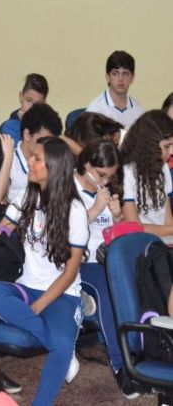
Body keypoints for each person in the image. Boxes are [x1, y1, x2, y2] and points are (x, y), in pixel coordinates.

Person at [0, 137, 88, 406]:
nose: (29, 161)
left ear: (54, 167)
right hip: (25, 286)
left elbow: (69, 273)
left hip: (62, 293)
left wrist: (39, 306)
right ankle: (61, 349)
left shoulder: (75, 211)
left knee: (61, 345)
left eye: (37, 158)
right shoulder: (26, 197)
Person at [73, 140, 131, 395]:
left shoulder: (105, 191)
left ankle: (143, 351)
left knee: (138, 279)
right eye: (101, 174)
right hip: (79, 263)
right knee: (106, 289)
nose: (106, 181)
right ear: (86, 165)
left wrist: (117, 218)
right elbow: (62, 230)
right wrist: (96, 209)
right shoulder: (67, 187)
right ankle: (121, 366)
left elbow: (116, 235)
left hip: (107, 258)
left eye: (111, 176)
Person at [120, 109, 173, 235]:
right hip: (140, 241)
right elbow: (134, 227)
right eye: (167, 146)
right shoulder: (126, 173)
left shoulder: (163, 167)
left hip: (164, 238)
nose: (171, 152)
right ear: (149, 145)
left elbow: (168, 221)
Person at [8, 103, 63, 203]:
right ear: (27, 134)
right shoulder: (9, 164)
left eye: (51, 142)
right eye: (43, 140)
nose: (48, 146)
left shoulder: (53, 164)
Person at [86, 50, 143, 129]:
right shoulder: (95, 108)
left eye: (125, 74)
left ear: (132, 78)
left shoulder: (138, 110)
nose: (120, 79)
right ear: (108, 77)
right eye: (115, 74)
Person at [0, 73, 50, 143]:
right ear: (21, 96)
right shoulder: (9, 127)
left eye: (38, 104)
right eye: (29, 100)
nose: (32, 108)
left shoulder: (48, 128)